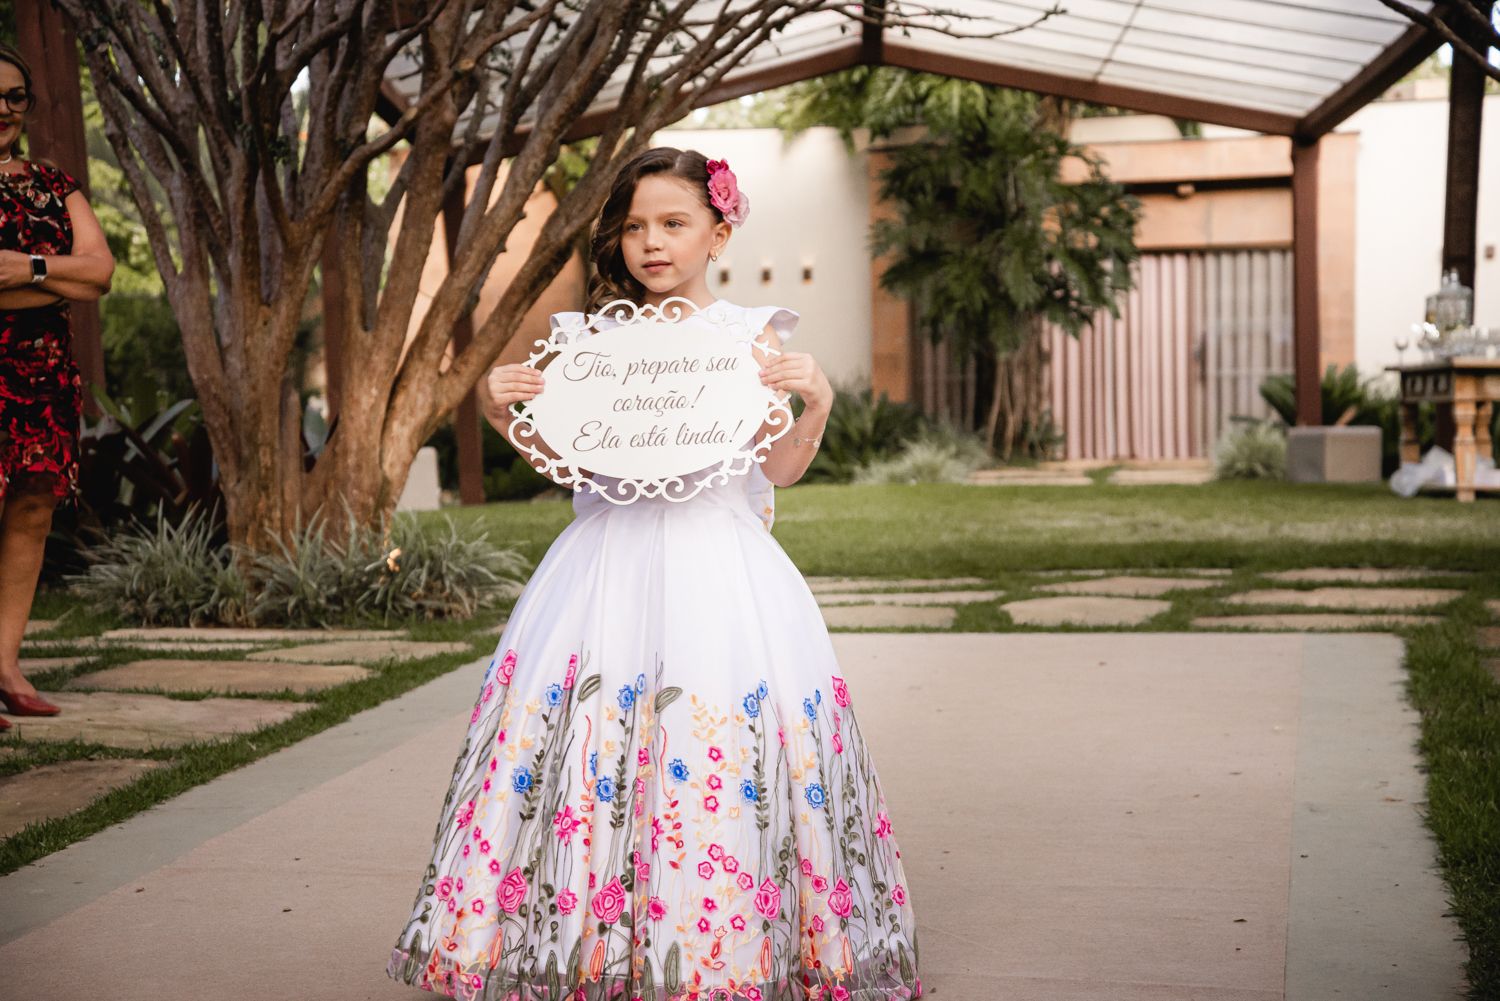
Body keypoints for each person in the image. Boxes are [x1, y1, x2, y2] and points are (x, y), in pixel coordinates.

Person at [386, 147, 921, 1001]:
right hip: (605, 568)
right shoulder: (591, 346)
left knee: (711, 745)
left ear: (719, 231)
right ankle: (583, 944)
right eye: (635, 226)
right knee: (592, 746)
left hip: (720, 570)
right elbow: (572, 463)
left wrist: (816, 400)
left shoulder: (748, 339)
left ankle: (714, 950)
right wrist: (501, 411)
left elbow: (777, 471)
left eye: (674, 223)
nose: (652, 243)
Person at [0, 45, 114, 733]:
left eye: (15, 97)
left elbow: (98, 273)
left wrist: (27, 269)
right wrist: (57, 276)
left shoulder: (52, 183)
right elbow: (77, 276)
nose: (4, 110)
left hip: (43, 376)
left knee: (33, 509)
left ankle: (6, 666)